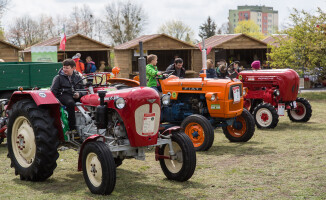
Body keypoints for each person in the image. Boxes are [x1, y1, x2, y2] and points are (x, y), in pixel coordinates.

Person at [51, 59, 84, 133]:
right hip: (64, 95)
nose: (65, 69)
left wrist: (79, 94)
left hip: (76, 95)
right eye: (64, 67)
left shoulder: (78, 77)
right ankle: (72, 128)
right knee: (70, 103)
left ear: (73, 68)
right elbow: (53, 91)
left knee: (88, 100)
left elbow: (83, 90)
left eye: (67, 68)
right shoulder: (58, 78)